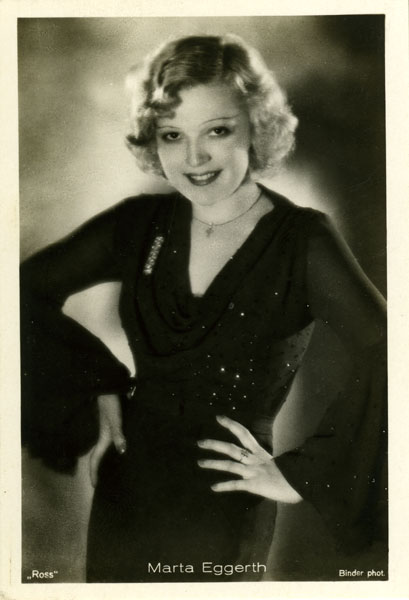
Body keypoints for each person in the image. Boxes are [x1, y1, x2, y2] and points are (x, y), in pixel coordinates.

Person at [20, 34, 387, 582]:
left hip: (227, 502)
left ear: (256, 126)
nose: (194, 158)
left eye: (217, 130)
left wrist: (300, 475)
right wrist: (99, 384)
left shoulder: (302, 240)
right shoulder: (136, 224)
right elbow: (21, 292)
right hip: (126, 488)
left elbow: (390, 352)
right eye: (173, 135)